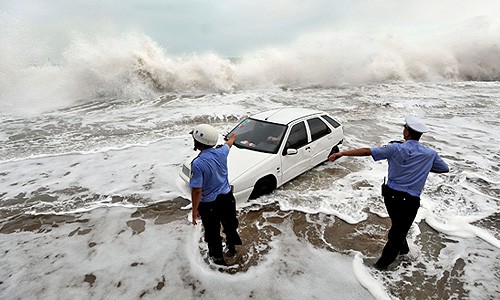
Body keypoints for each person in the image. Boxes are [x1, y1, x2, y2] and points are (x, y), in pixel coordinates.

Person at [328, 115, 449, 270]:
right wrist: (422, 166)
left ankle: (390, 260)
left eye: (404, 128)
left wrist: (342, 153)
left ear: (407, 133)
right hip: (410, 201)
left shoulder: (395, 148)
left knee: (398, 229)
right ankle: (386, 263)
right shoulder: (429, 154)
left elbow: (367, 152)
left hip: (390, 197)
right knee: (398, 231)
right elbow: (444, 168)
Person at [189, 124, 242, 266]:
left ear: (197, 143)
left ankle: (218, 261)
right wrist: (233, 137)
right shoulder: (222, 152)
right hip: (227, 199)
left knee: (212, 234)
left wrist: (195, 210)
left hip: (209, 205)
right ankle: (232, 248)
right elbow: (228, 144)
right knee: (230, 225)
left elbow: (197, 191)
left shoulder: (197, 164)